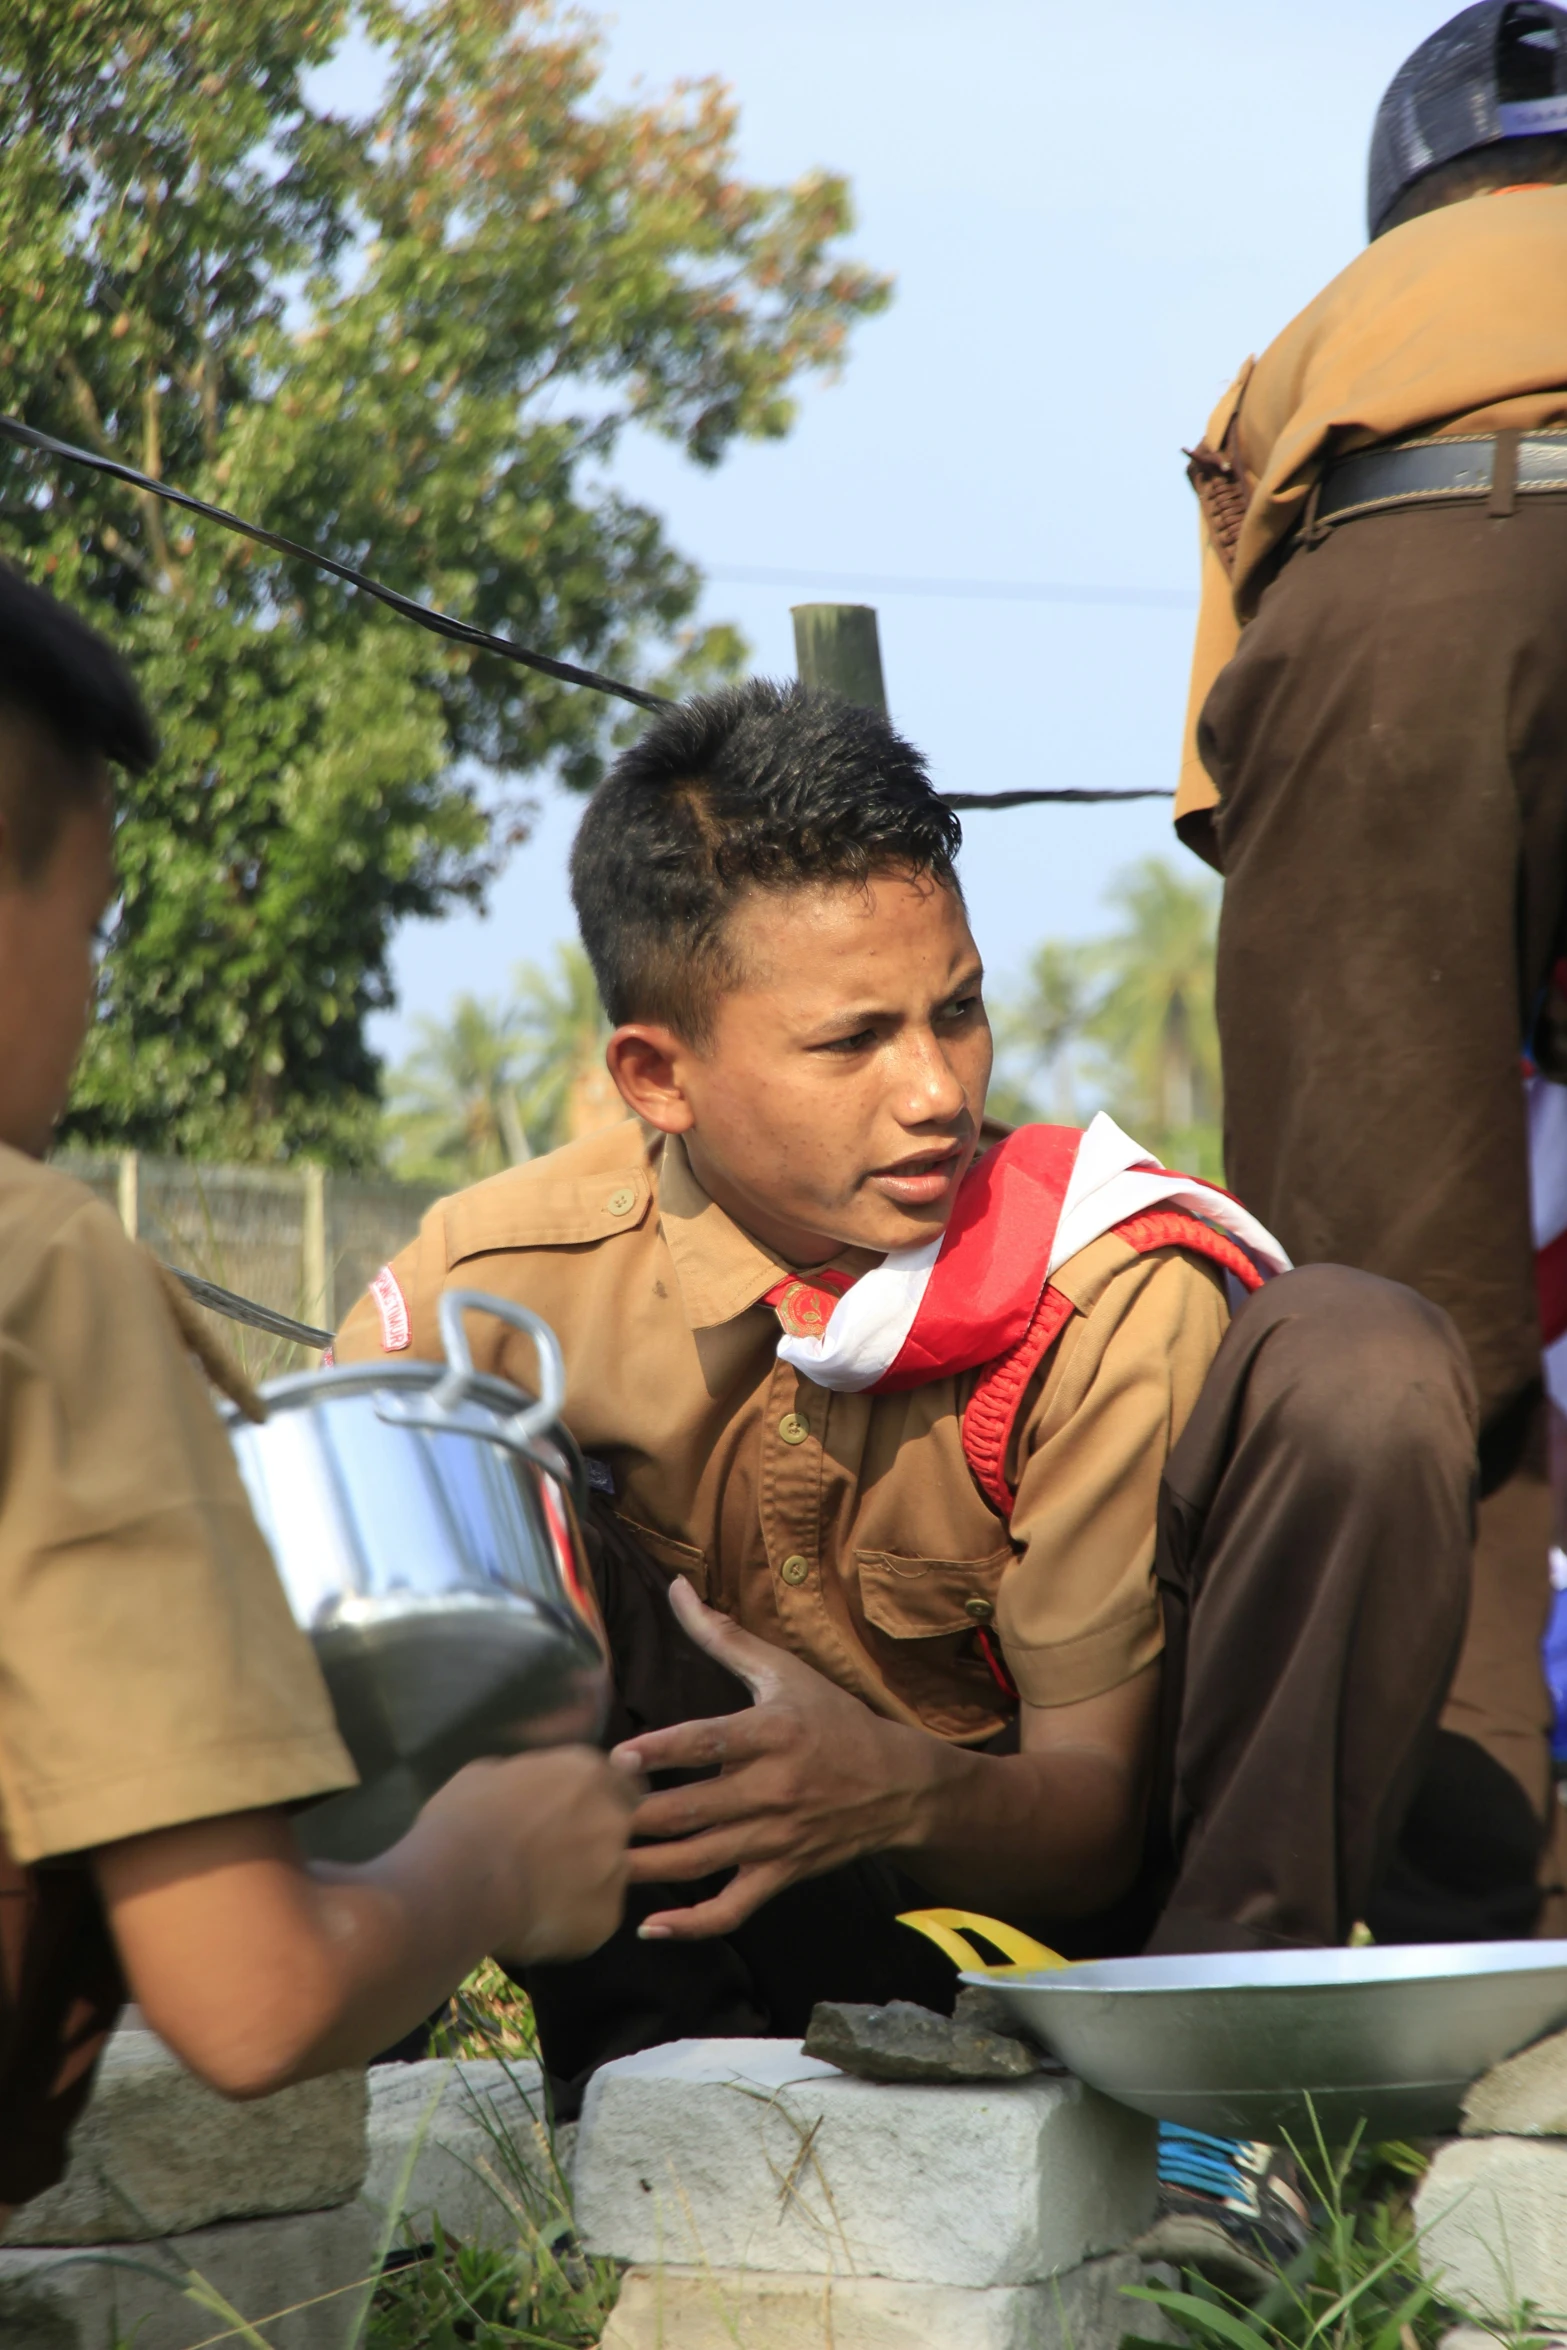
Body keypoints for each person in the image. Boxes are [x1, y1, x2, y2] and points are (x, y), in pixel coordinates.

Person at [337, 678, 1475, 2136]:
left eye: (958, 1011)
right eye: (851, 1039)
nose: (934, 1088)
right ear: (655, 1075)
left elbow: (1086, 1826)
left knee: (1360, 1358)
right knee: (432, 1491)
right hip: (710, 1965)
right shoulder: (502, 1284)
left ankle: (1224, 2149)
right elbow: (298, 1668)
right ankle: (576, 2135)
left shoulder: (1097, 1280)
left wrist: (897, 1790)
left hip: (1082, 1958)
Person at [0, 566, 637, 2216]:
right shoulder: (45, 1267)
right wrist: (493, 1856)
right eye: (90, 925)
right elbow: (252, 1993)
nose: (90, 992)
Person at [1174, 0, 1567, 1937]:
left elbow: (1224, 765)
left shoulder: (1323, 339)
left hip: (1389, 605)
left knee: (1398, 1333)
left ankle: (1456, 1915)